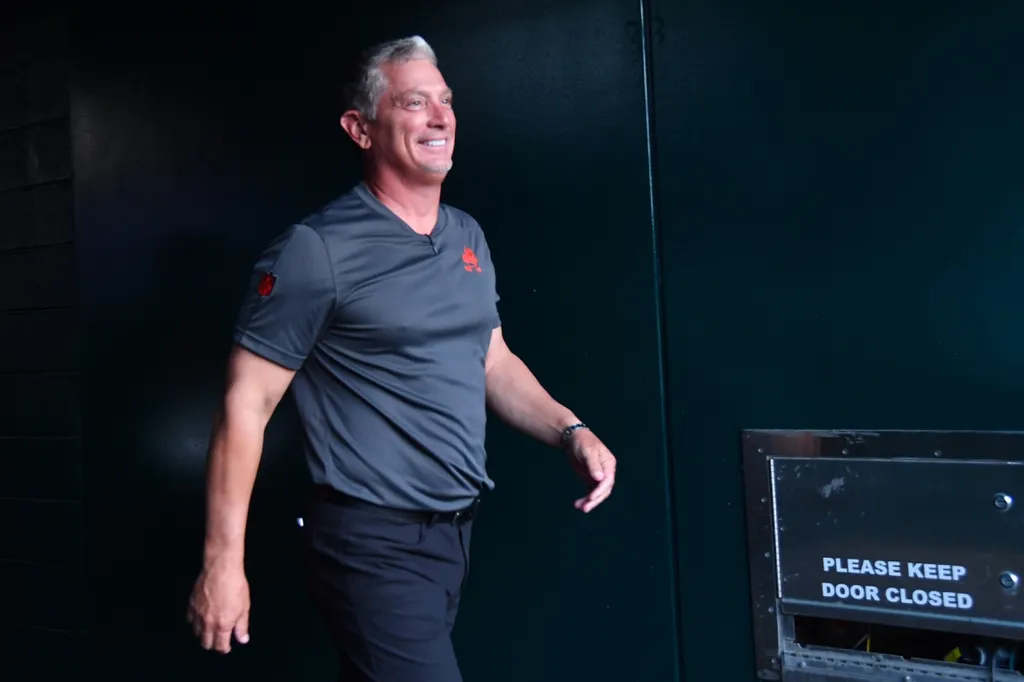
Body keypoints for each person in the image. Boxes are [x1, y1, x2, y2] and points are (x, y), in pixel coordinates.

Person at [185, 35, 618, 682]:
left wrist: (570, 430)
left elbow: (491, 360)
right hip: (369, 543)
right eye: (415, 102)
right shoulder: (316, 250)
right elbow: (245, 404)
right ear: (360, 129)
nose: (441, 117)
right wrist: (222, 563)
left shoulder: (466, 236)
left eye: (445, 101)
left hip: (453, 535)